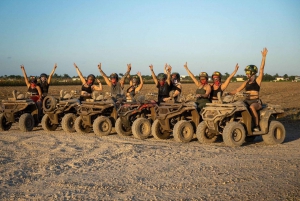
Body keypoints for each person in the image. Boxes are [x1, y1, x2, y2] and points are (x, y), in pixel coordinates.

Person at [227, 48, 268, 131]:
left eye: (248, 73)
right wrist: (228, 93)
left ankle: (256, 125)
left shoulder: (257, 80)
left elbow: (261, 69)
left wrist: (263, 57)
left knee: (252, 107)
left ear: (252, 73)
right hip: (246, 101)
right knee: (236, 106)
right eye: (246, 73)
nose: (246, 74)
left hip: (255, 102)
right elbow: (237, 90)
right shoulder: (246, 82)